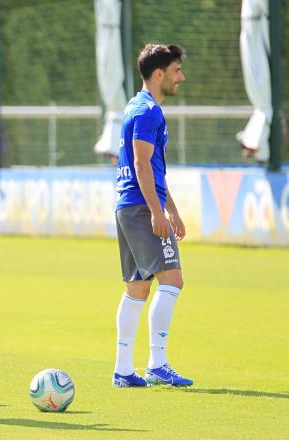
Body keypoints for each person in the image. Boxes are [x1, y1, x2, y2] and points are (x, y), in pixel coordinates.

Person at [112, 44, 193, 388]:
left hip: (130, 205)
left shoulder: (137, 107)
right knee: (172, 280)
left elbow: (151, 169)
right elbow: (142, 164)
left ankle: (123, 370)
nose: (181, 77)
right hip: (142, 208)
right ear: (159, 74)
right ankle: (157, 363)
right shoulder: (148, 112)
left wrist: (171, 209)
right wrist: (158, 212)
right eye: (176, 70)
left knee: (138, 287)